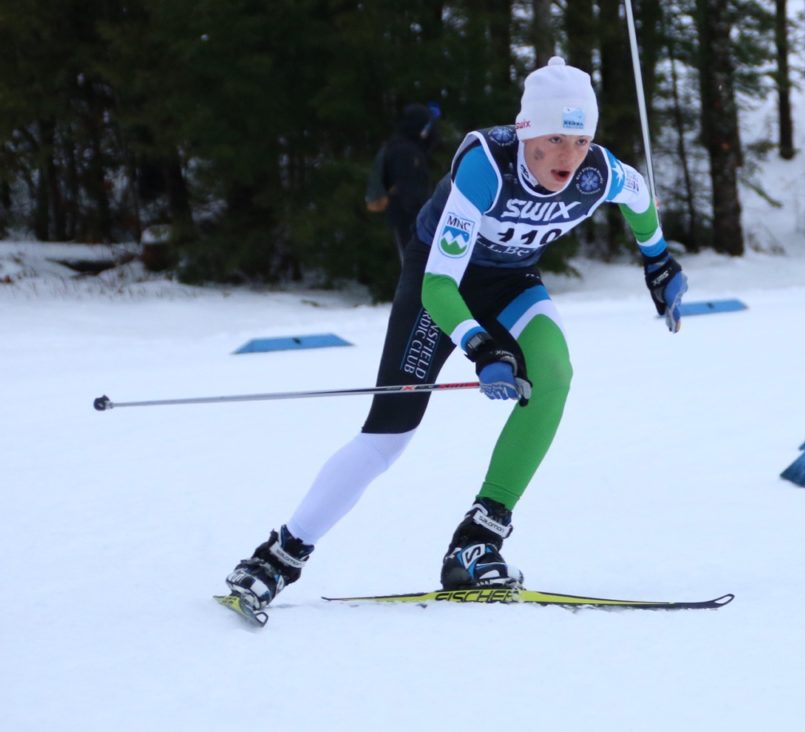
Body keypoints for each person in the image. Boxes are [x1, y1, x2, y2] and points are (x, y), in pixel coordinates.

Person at [224, 57, 688, 609]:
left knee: (555, 373)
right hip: (439, 281)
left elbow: (639, 199)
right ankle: (279, 556)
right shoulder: (486, 168)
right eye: (556, 138)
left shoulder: (597, 172)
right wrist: (480, 345)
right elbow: (441, 285)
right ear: (526, 132)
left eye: (581, 138)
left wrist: (658, 262)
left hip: (511, 281)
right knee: (389, 433)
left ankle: (476, 542)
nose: (569, 155)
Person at [365, 102, 440, 262]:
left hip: (413, 217)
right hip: (411, 218)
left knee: (415, 263)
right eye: (425, 126)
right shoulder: (404, 150)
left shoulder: (409, 147)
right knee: (414, 264)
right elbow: (409, 188)